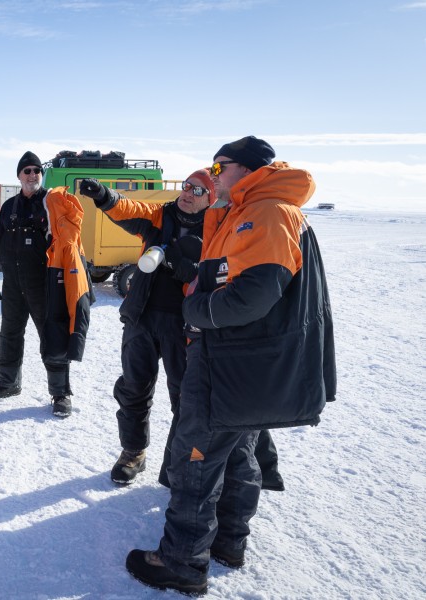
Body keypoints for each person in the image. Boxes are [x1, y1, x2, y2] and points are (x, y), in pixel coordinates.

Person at [124, 136, 336, 595]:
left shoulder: (267, 212)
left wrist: (195, 310)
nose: (212, 175)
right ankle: (228, 542)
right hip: (243, 364)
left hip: (229, 361)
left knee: (195, 459)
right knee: (239, 452)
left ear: (247, 169)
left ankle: (181, 562)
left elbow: (253, 295)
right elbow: (228, 274)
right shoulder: (250, 210)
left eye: (219, 168)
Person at [79, 169, 214, 485]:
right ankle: (133, 453)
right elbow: (129, 209)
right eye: (187, 186)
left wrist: (182, 266)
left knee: (186, 397)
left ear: (210, 197)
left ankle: (178, 462)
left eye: (197, 190)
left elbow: (216, 273)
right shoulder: (160, 216)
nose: (188, 193)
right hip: (142, 318)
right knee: (134, 388)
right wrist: (104, 196)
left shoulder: (216, 228)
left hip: (186, 326)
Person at [0, 152, 93, 417]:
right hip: (12, 283)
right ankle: (8, 382)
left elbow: (71, 230)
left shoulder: (51, 203)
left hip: (44, 284)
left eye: (36, 171)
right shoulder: (9, 206)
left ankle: (60, 393)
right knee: (9, 334)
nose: (32, 175)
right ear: (19, 176)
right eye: (27, 171)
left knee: (52, 335)